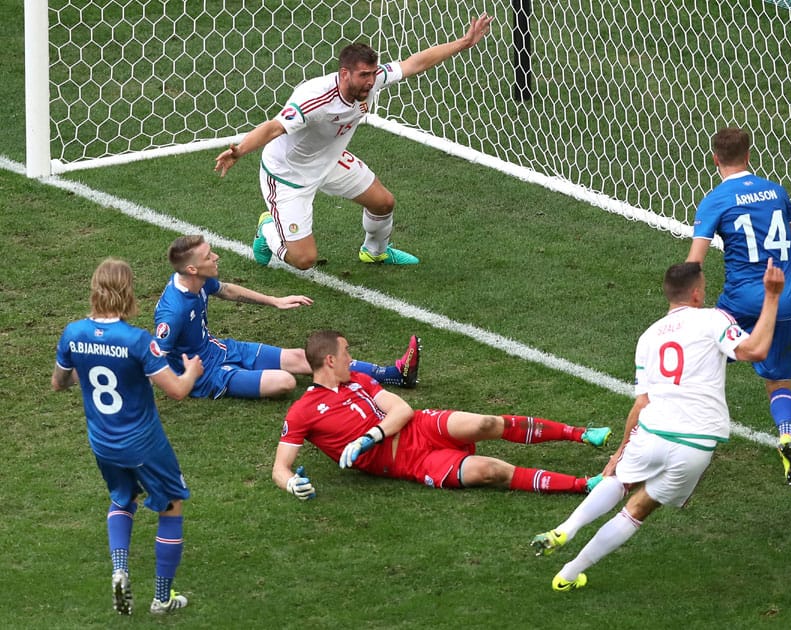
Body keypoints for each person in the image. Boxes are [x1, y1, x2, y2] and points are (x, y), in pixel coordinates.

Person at [530, 260, 785, 592]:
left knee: (620, 480)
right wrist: (773, 296)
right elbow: (757, 350)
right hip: (696, 442)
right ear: (696, 293)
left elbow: (641, 402)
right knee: (638, 508)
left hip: (652, 432)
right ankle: (568, 573)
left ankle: (566, 527)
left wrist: (621, 450)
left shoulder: (648, 337)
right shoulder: (713, 319)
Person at [214, 13, 495, 270]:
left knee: (383, 203)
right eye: (364, 75)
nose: (371, 82)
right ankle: (267, 230)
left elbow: (414, 64)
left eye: (373, 74)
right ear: (345, 73)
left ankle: (375, 251)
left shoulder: (373, 80)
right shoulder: (315, 99)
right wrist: (239, 151)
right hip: (289, 176)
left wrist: (465, 42)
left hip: (329, 160)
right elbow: (274, 128)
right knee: (303, 259)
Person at [272, 329, 614, 499]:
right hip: (410, 463)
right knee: (490, 471)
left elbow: (402, 409)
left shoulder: (360, 379)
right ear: (330, 360)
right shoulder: (303, 411)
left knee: (485, 423)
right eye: (346, 352)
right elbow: (280, 467)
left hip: (420, 427)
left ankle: (581, 433)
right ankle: (584, 485)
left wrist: (368, 437)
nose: (351, 357)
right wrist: (292, 485)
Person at [52, 258, 204, 615]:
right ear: (128, 292)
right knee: (171, 505)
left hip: (102, 443)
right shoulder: (138, 342)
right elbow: (178, 391)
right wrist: (194, 371)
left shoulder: (73, 333)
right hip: (143, 443)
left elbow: (59, 382)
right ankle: (162, 599)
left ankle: (120, 567)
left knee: (123, 497)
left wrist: (83, 371)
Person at [686, 127, 791, 487]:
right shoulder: (776, 191)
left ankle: (695, 430)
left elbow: (695, 260)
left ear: (715, 159)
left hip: (740, 300)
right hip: (784, 296)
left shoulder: (715, 199)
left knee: (704, 355)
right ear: (749, 155)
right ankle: (787, 436)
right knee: (779, 381)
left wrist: (687, 303)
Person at [154, 235, 420, 400]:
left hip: (219, 349)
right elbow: (152, 361)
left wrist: (275, 301)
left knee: (300, 358)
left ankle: (393, 374)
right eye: (208, 256)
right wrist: (186, 379)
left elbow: (226, 290)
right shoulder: (173, 312)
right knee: (285, 382)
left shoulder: (196, 280)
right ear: (192, 268)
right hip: (205, 376)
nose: (216, 256)